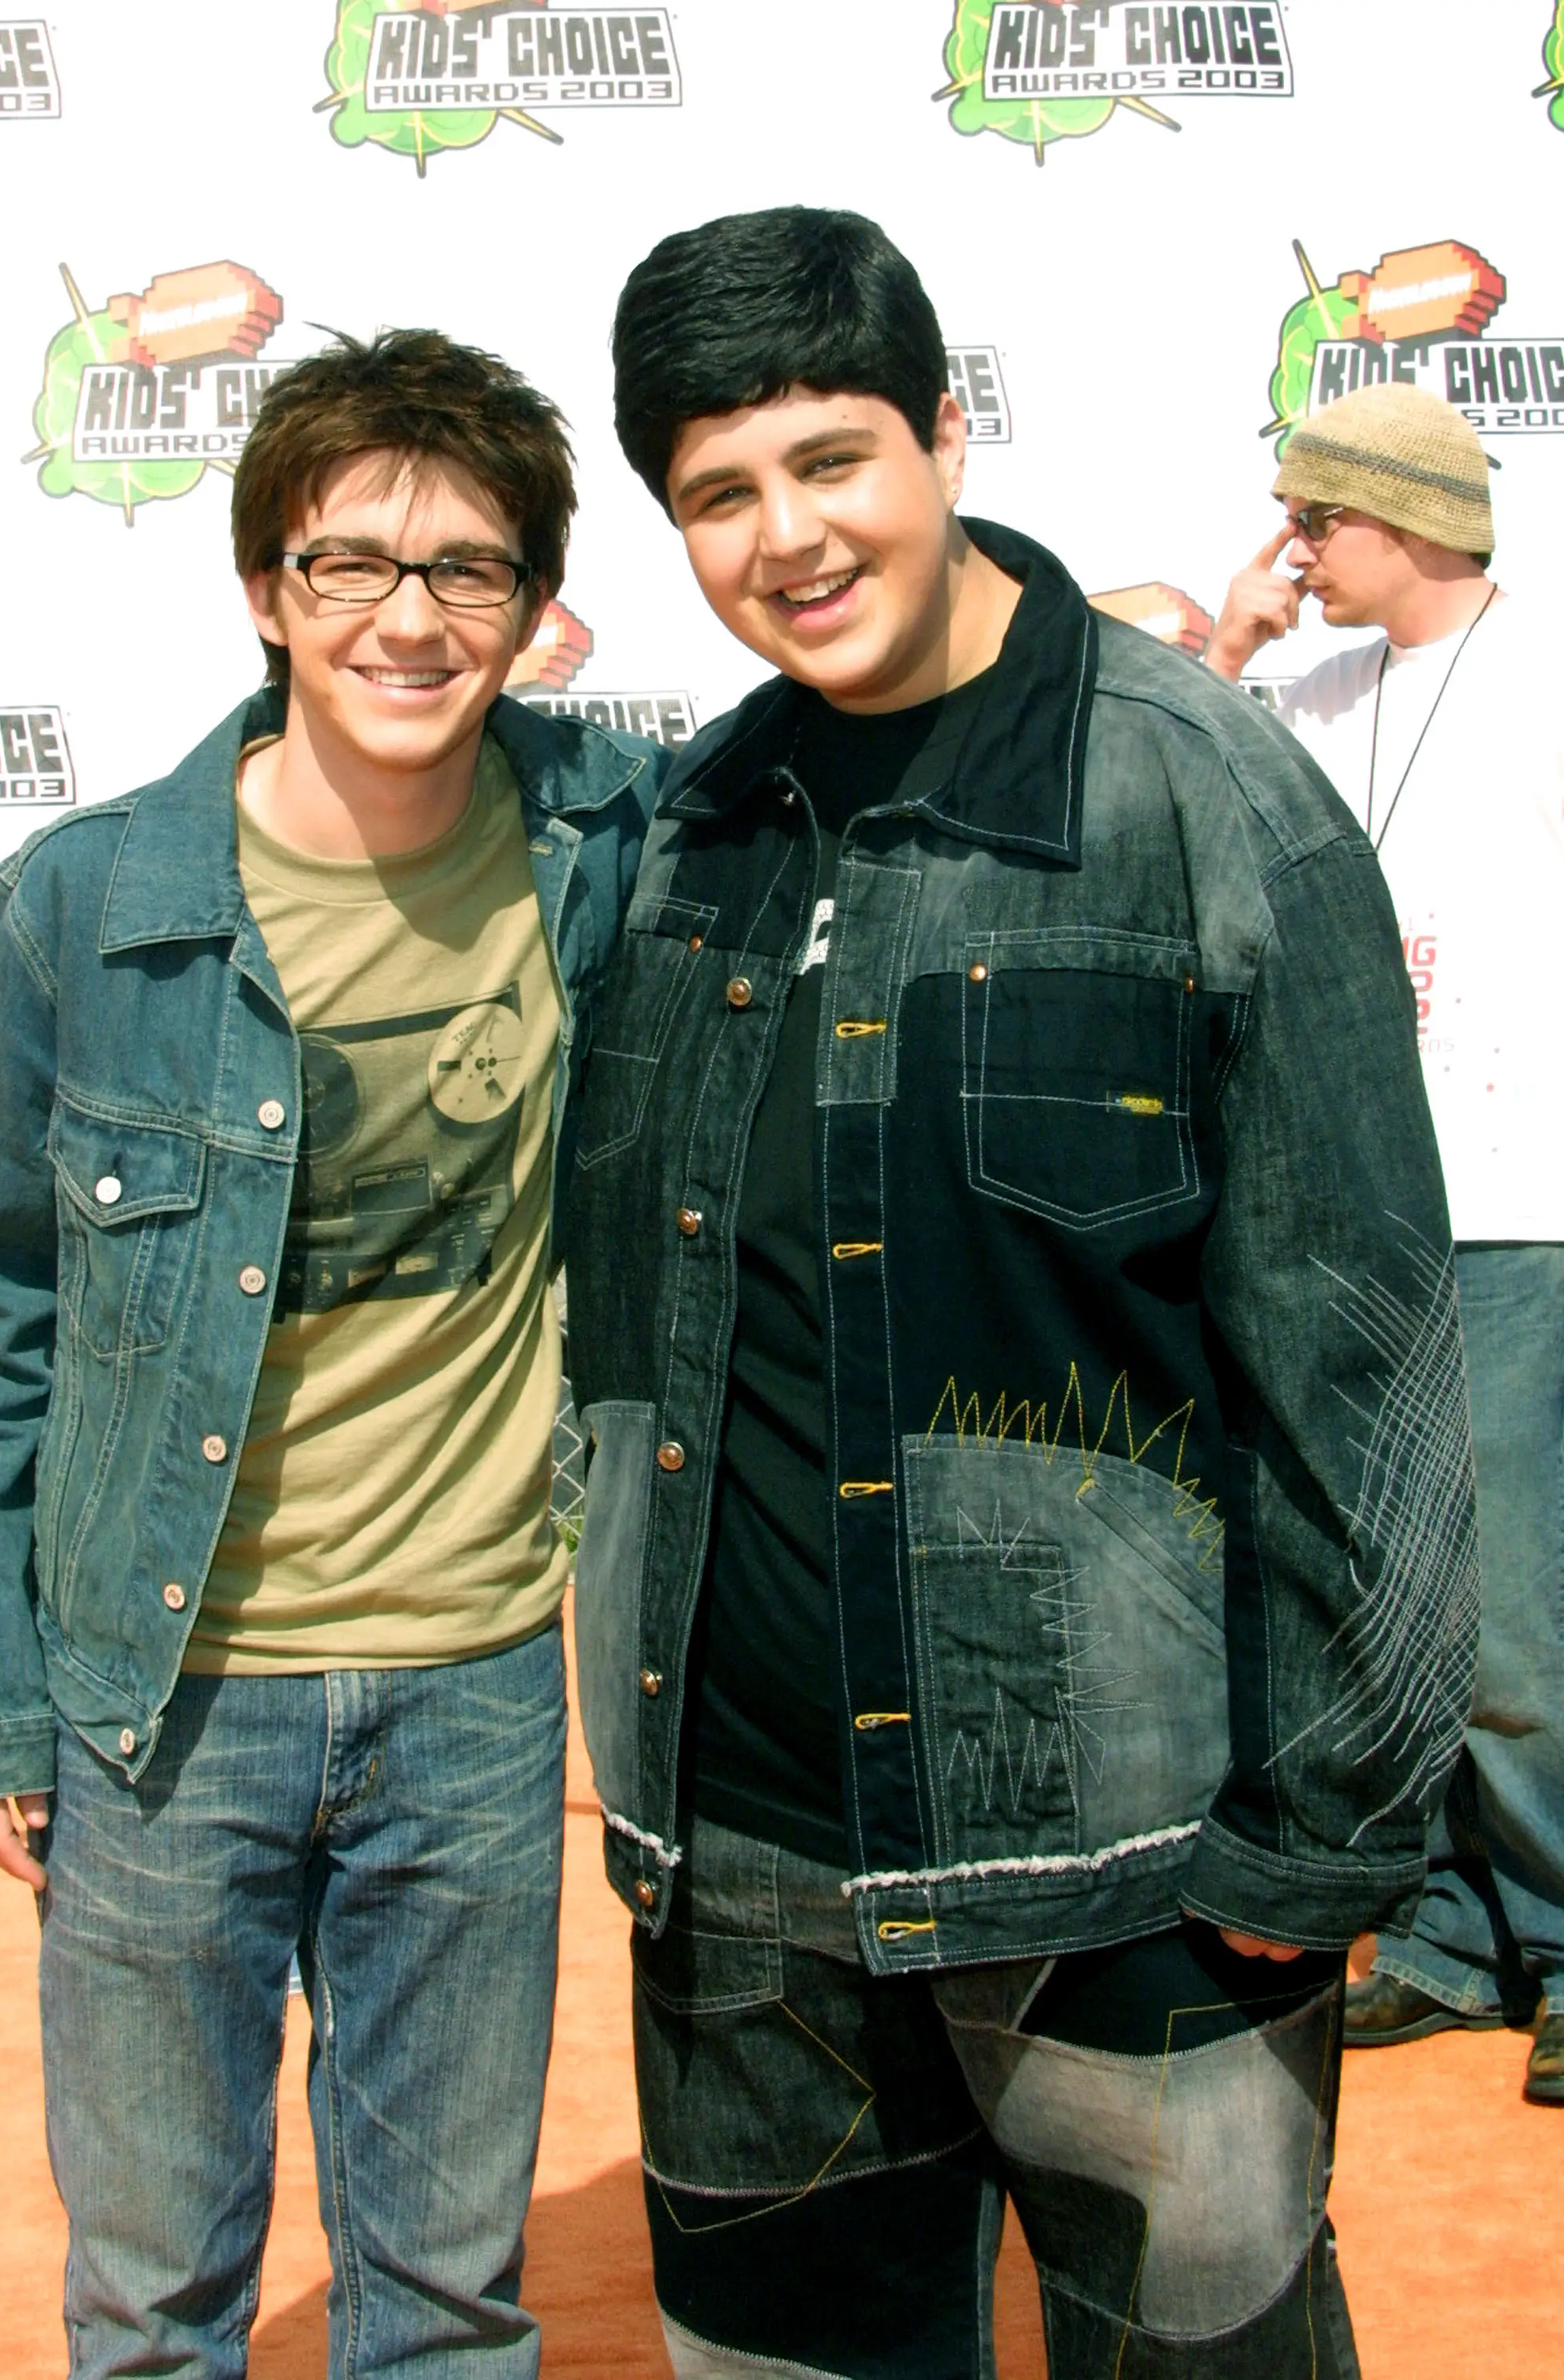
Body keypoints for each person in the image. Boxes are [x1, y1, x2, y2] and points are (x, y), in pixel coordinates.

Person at [562, 208, 1478, 2379]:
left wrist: (1312, 1845)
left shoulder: (1202, 796)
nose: (786, 537)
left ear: (947, 433)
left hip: (1137, 1887)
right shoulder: (698, 827)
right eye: (716, 492)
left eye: (832, 458)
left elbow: (1360, 1361)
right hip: (745, 1889)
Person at [0, 328, 666, 2378]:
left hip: (476, 1685)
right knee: (153, 2303)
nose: (410, 620)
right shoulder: (87, 906)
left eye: (468, 570)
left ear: (534, 603)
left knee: (448, 2302)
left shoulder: (615, 846)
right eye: (351, 565)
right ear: (265, 590)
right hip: (163, 1699)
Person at [1206, 379, 1564, 2107]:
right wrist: (1230, 641)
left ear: (1409, 517)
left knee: (1518, 1611)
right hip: (1343, 1203)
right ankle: (1446, 1929)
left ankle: (1557, 1933)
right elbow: (1158, 793)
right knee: (1386, 1589)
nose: (1294, 547)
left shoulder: (1544, 670)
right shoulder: (1311, 692)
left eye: (1316, 518)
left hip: (1513, 1197)